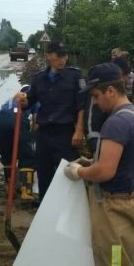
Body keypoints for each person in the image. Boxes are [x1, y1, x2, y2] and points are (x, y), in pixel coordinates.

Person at [63, 63, 134, 266]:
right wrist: (93, 161)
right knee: (119, 258)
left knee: (114, 261)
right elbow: (121, 161)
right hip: (128, 201)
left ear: (110, 91)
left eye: (96, 96)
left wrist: (80, 171)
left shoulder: (116, 123)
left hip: (114, 210)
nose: (96, 102)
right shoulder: (132, 115)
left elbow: (105, 171)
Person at [14, 40, 85, 201]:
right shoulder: (39, 79)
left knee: (67, 174)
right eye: (59, 56)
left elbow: (82, 105)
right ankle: (45, 210)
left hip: (65, 134)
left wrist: (79, 130)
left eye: (65, 56)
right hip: (44, 135)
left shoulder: (74, 77)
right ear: (48, 56)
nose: (63, 59)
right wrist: (22, 98)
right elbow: (29, 101)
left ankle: (66, 214)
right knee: (44, 174)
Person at [0, 84, 38, 202]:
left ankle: (10, 189)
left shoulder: (10, 99)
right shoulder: (33, 100)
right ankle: (26, 192)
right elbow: (35, 124)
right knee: (27, 156)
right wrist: (32, 138)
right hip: (17, 120)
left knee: (7, 156)